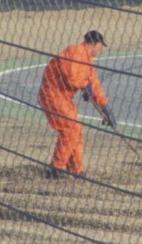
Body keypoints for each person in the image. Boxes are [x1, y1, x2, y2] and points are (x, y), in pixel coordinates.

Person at [38, 30, 116, 178]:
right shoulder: (75, 51)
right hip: (52, 94)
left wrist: (105, 107)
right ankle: (54, 168)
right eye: (100, 46)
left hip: (63, 98)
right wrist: (84, 85)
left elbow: (93, 84)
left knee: (76, 130)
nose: (100, 49)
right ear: (95, 44)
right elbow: (71, 75)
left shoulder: (87, 61)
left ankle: (75, 169)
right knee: (70, 129)